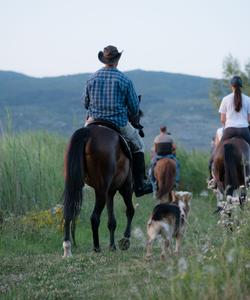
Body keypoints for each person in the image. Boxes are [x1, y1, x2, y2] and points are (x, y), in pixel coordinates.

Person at [83, 45, 152, 197]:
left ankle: (78, 177)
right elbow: (134, 108)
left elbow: (85, 103)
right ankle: (140, 185)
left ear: (104, 60)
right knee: (139, 145)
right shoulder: (125, 80)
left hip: (93, 121)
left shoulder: (91, 78)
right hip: (118, 123)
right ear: (117, 60)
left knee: (79, 141)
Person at [219, 76, 250, 144]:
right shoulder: (248, 99)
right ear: (241, 86)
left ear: (231, 86)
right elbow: (249, 119)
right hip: (244, 130)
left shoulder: (225, 99)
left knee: (218, 149)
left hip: (230, 130)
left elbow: (222, 120)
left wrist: (225, 128)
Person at [149, 125, 180, 192]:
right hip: (169, 155)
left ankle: (153, 182)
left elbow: (155, 149)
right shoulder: (170, 137)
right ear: (166, 130)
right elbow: (174, 147)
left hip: (158, 156)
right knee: (177, 164)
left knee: (152, 166)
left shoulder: (157, 138)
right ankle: (176, 181)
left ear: (160, 130)